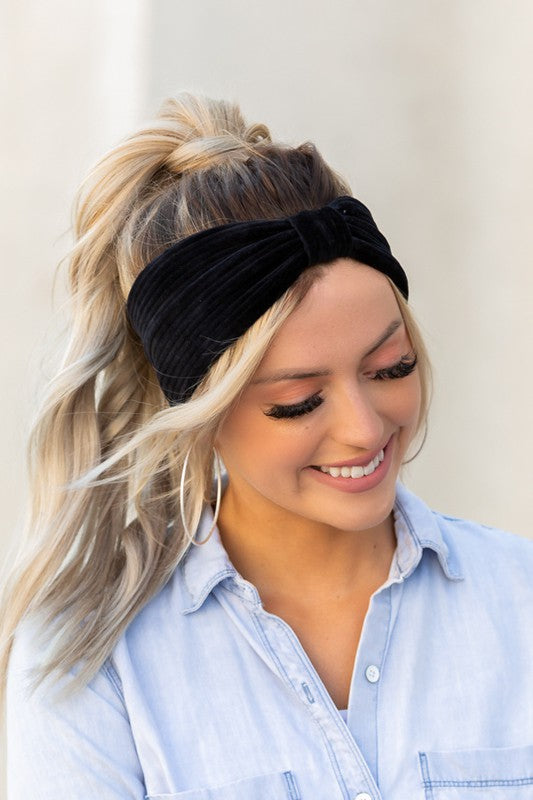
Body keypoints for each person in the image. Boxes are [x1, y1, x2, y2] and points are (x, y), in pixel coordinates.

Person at [2, 93, 532, 800]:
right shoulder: (92, 665)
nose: (364, 428)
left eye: (390, 368)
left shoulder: (520, 600)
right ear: (200, 412)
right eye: (298, 401)